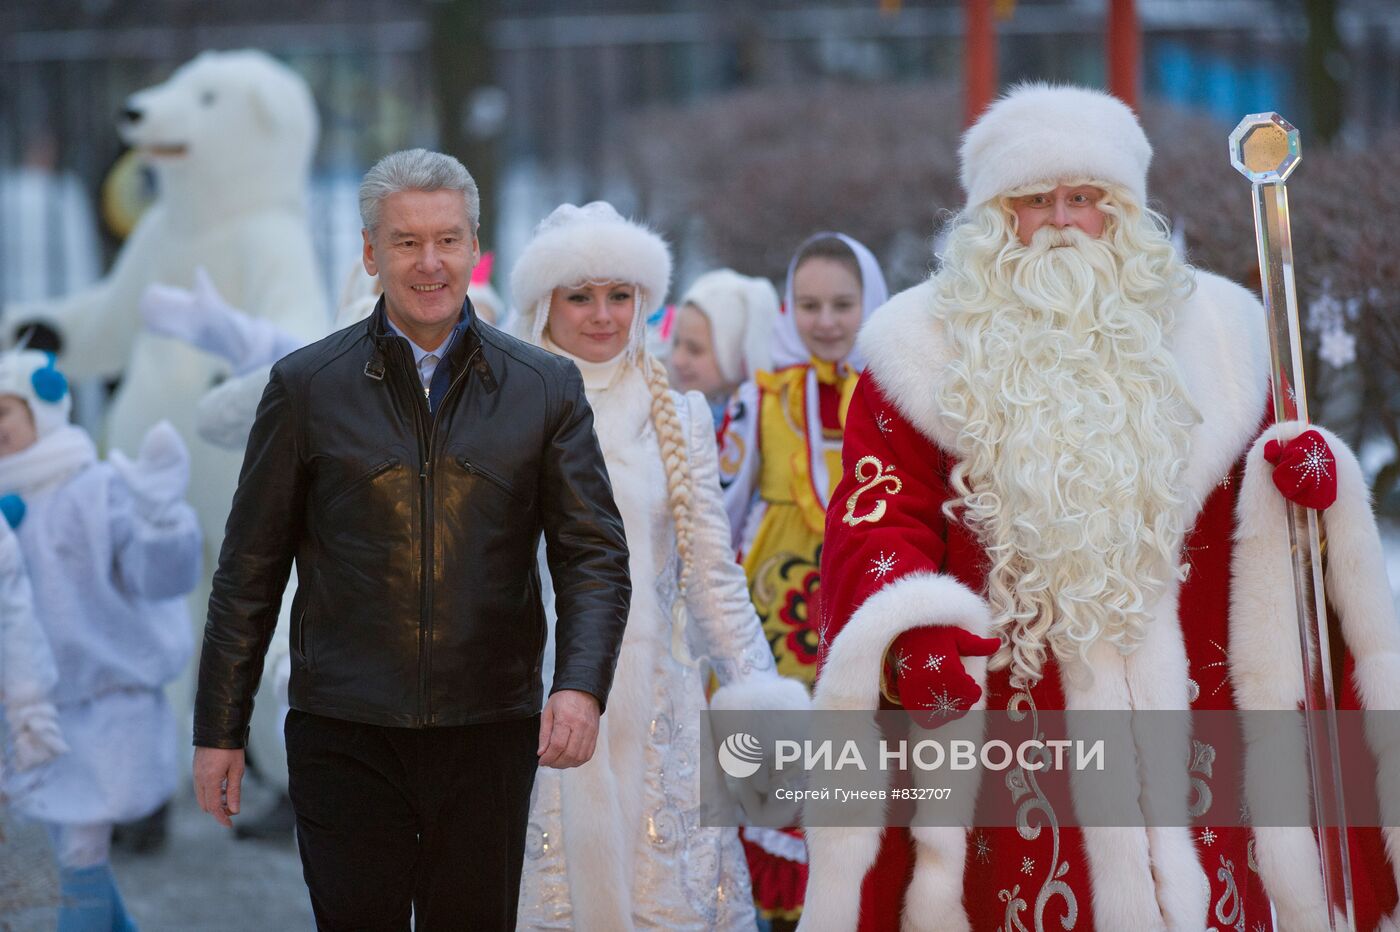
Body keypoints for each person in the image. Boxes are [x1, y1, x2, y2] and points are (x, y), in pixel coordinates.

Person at [804, 83, 1400, 931]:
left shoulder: (1226, 338)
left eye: (1083, 198)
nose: (1058, 221)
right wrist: (912, 630)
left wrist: (1312, 479)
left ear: (1122, 212)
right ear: (991, 218)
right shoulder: (917, 354)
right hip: (1019, 721)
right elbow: (876, 519)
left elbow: (1273, 506)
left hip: (1198, 715)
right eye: (1033, 200)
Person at [191, 150, 632, 931]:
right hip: (344, 732)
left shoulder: (543, 387)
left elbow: (592, 553)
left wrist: (580, 684)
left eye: (449, 240)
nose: (430, 263)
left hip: (489, 732)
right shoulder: (305, 387)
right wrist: (219, 731)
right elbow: (248, 571)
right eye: (405, 242)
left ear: (473, 246)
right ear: (370, 253)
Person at [509, 202, 809, 930]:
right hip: (536, 704)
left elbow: (711, 571)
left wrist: (756, 687)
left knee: (661, 901)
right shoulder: (504, 412)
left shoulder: (682, 418)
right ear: (545, 304)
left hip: (660, 715)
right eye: (580, 296)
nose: (603, 316)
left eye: (620, 295)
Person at [717, 233, 887, 928]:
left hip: (864, 599)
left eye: (842, 304)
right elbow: (722, 503)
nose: (825, 320)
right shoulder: (760, 399)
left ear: (870, 303)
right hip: (775, 615)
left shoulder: (892, 393)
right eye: (809, 304)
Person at [0, 348, 199, 931]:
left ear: (44, 410)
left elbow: (157, 576)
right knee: (70, 848)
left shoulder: (93, 487)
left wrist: (161, 520)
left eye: (6, 412)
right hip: (35, 713)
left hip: (107, 705)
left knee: (80, 852)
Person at [669, 269, 779, 425]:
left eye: (694, 350)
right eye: (676, 343)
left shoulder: (757, 432)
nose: (677, 360)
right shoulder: (669, 416)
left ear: (735, 355)